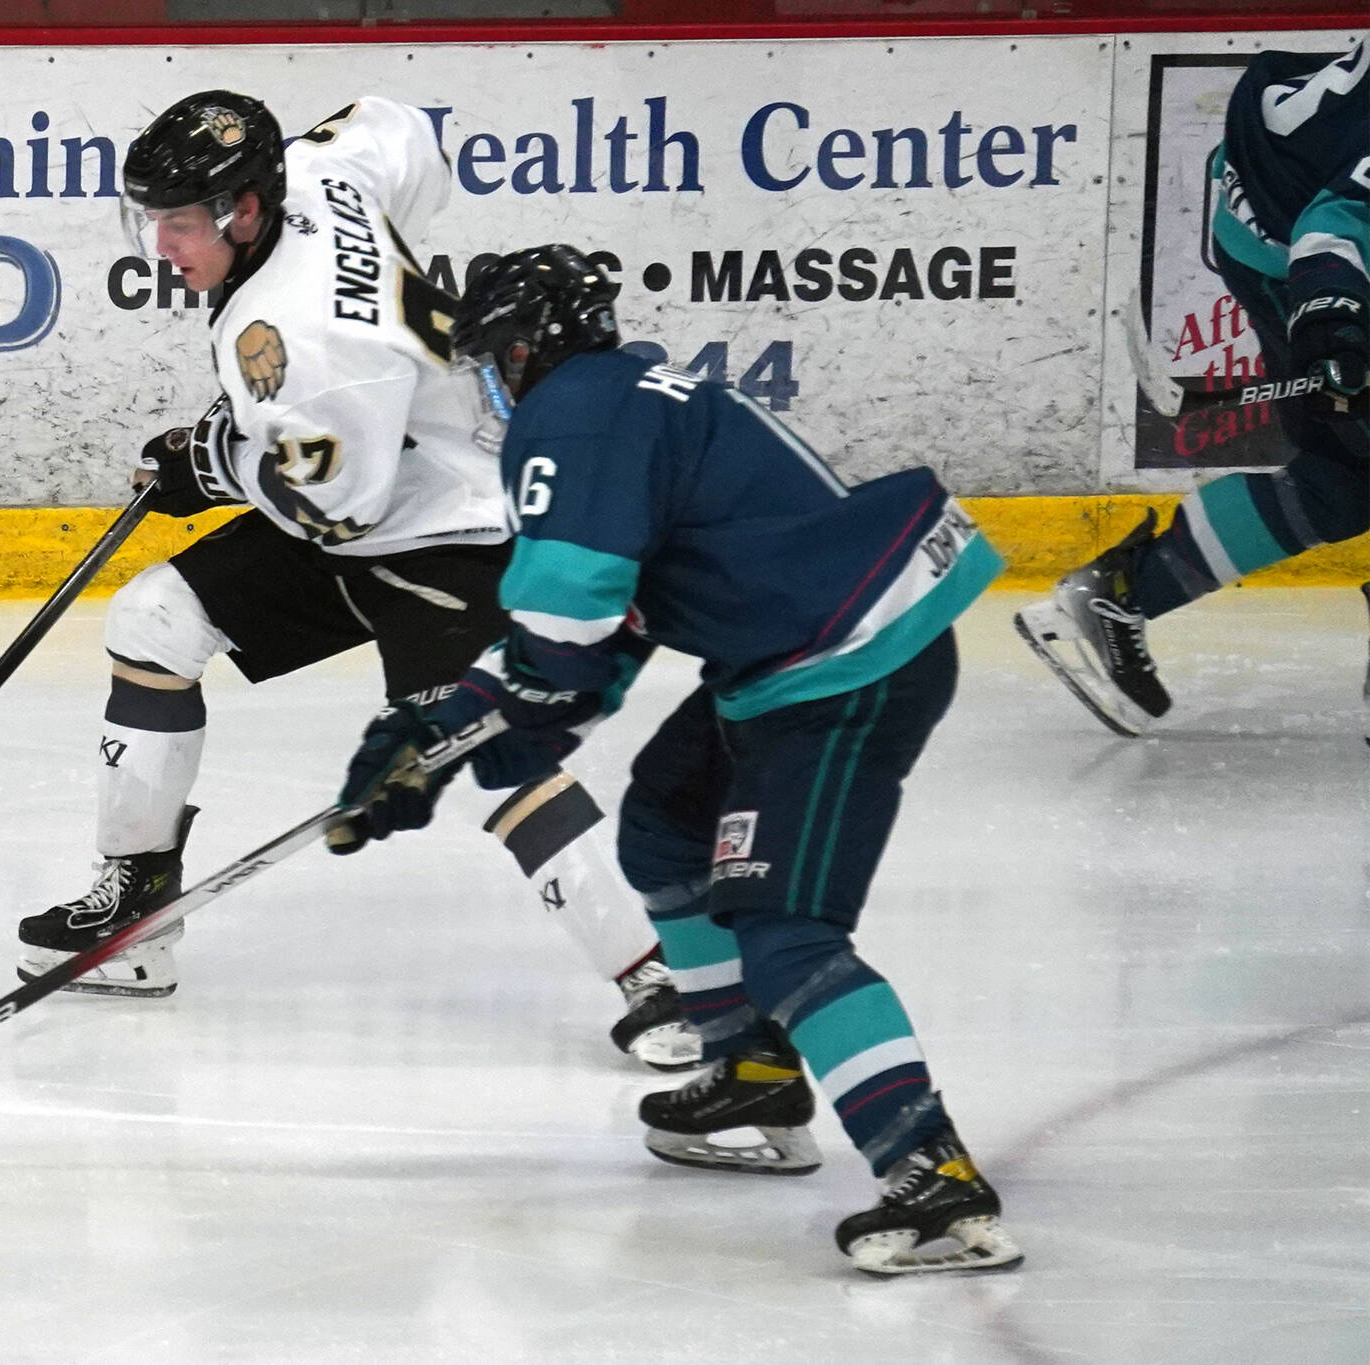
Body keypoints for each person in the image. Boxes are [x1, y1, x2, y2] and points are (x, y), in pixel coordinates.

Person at [335, 245, 1024, 1276]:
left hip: (840, 667)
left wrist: (447, 733)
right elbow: (595, 650)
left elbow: (566, 632)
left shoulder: (573, 410)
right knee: (664, 815)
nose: (484, 385)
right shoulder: (625, 395)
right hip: (806, 647)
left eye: (486, 361)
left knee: (782, 922)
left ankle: (929, 1177)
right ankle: (748, 1064)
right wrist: (448, 725)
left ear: (522, 349)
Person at [15, 92, 694, 1069]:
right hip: (380, 481)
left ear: (245, 211)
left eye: (178, 224)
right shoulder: (319, 170)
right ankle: (135, 906)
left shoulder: (301, 336)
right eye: (149, 220)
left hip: (451, 529)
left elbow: (341, 509)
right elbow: (400, 129)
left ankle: (653, 978)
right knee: (154, 619)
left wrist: (211, 463)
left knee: (480, 755)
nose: (159, 245)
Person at [1018, 36, 1369, 735]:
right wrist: (1335, 326)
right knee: (1350, 466)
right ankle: (1123, 590)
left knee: (1349, 475)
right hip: (1288, 225)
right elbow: (1338, 226)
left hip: (1301, 179)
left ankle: (1122, 592)